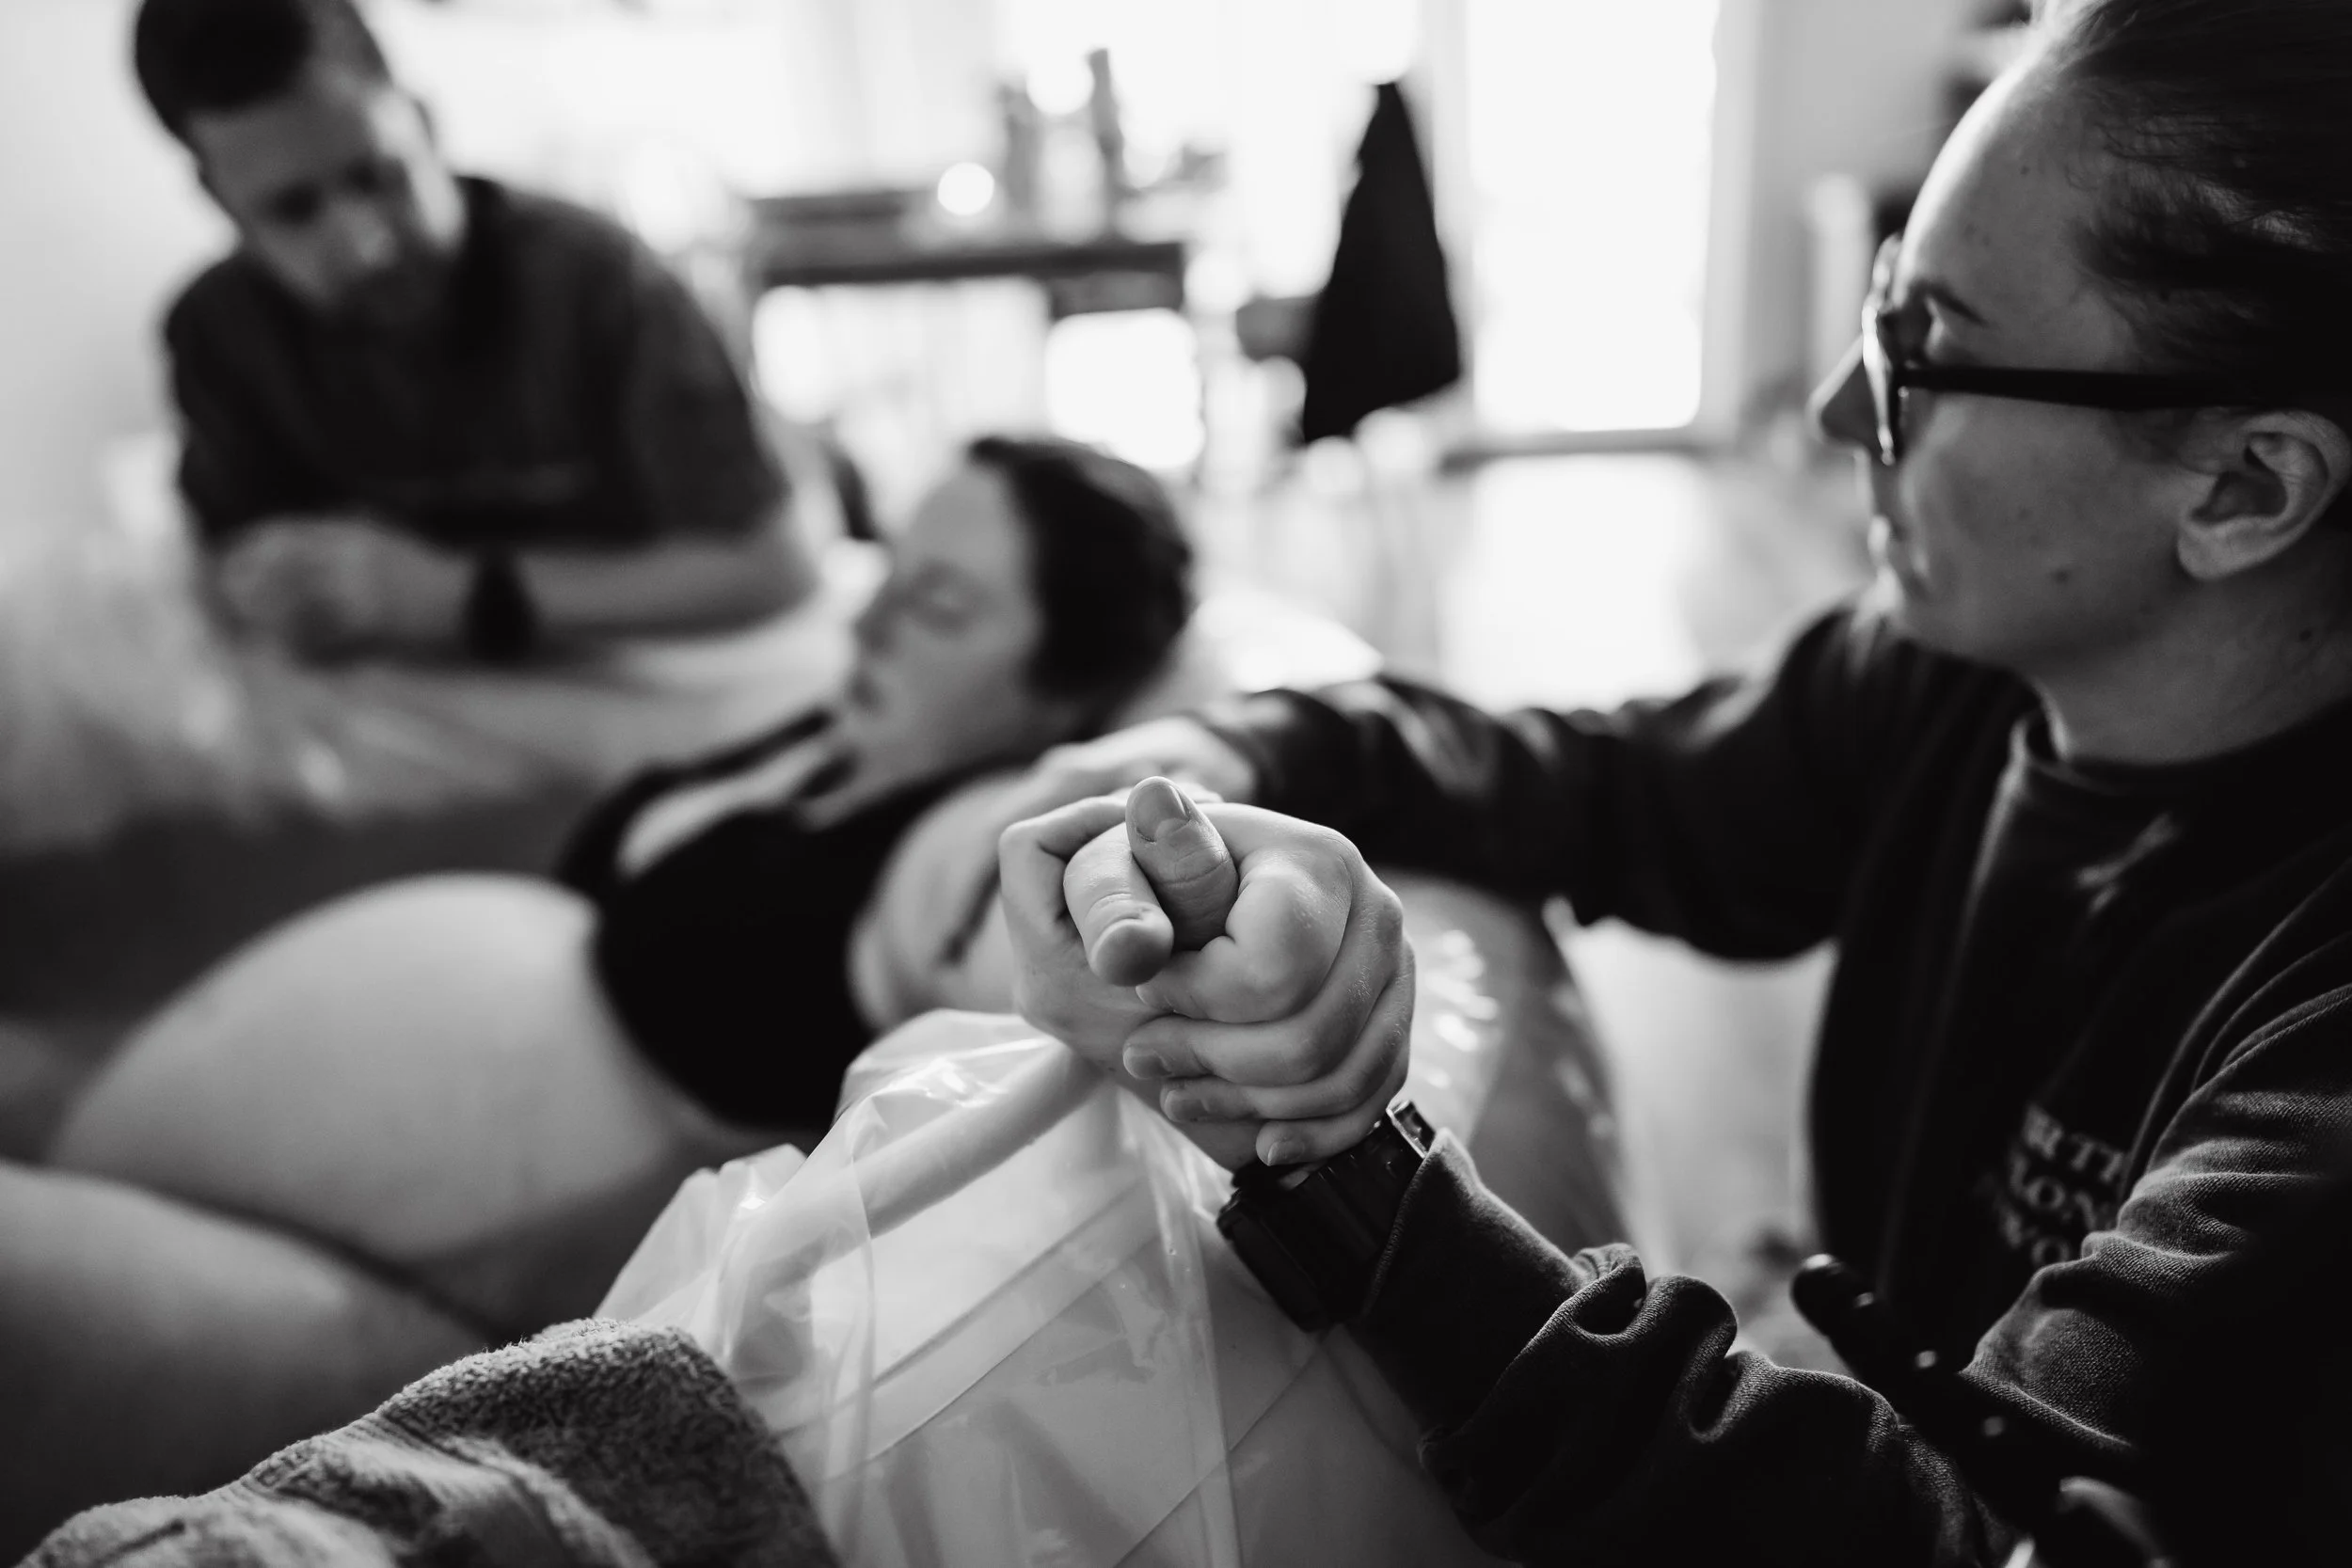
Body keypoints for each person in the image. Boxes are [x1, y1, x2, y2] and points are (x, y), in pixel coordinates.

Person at [992, 1, 2352, 1559]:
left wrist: (1356, 1176)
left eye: (1925, 352)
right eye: (1881, 313)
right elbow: (1604, 784)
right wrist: (1215, 760)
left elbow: (1966, 1532)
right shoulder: (1961, 672)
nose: (1837, 411)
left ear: (2247, 485)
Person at [47, 437, 1194, 1335]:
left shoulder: (960, 854)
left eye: (940, 605)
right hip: (290, 1195)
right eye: (888, 571)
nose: (869, 619)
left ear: (1065, 687)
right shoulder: (835, 735)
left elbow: (1037, 970)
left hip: (435, 1292)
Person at [133, 0, 809, 662]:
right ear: (219, 199)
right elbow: (223, 570)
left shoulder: (600, 283)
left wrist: (460, 594)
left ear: (424, 121)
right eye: (294, 209)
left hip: (638, 683)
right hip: (392, 705)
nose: (365, 245)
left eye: (377, 176)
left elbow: (776, 568)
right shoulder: (215, 333)